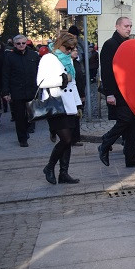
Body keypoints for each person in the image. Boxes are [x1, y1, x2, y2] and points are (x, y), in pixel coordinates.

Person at [98, 17, 135, 167]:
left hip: (129, 91)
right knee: (125, 120)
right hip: (117, 92)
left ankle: (131, 158)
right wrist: (110, 93)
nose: (129, 29)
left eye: (130, 26)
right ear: (117, 26)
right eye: (126, 26)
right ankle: (106, 142)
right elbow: (106, 71)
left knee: (132, 123)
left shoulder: (126, 44)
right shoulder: (110, 44)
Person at [39, 32, 83, 185]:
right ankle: (49, 167)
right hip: (55, 103)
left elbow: (73, 84)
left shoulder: (68, 60)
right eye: (68, 48)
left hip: (69, 104)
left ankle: (63, 173)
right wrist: (63, 79)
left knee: (68, 141)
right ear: (60, 45)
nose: (71, 51)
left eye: (73, 48)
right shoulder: (49, 58)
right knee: (66, 139)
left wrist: (78, 105)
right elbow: (41, 81)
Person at [2, 34, 40, 147]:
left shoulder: (33, 55)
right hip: (16, 91)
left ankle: (28, 129)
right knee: (19, 116)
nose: (21, 45)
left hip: (31, 89)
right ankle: (22, 139)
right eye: (18, 43)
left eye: (23, 43)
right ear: (14, 44)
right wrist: (6, 92)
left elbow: (39, 72)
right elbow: (5, 75)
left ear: (26, 43)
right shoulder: (9, 57)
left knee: (31, 114)